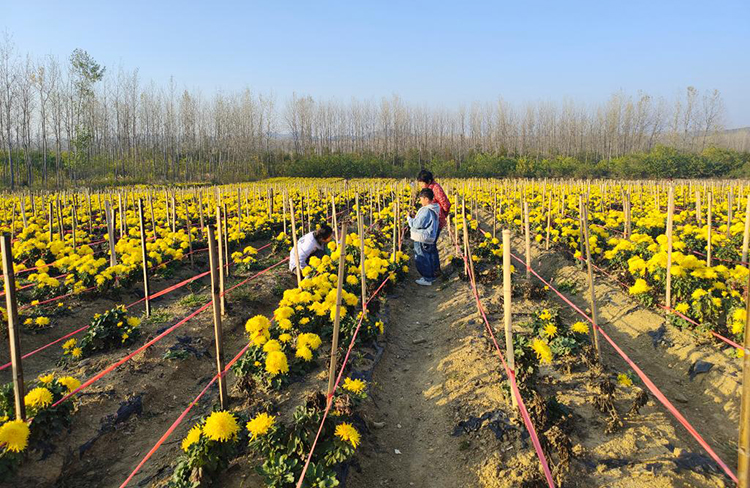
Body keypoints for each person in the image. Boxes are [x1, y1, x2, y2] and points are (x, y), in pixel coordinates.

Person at [407, 188, 441, 286]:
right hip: (429, 238)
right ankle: (431, 276)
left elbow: (417, 224)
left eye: (421, 199)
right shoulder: (434, 208)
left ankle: (427, 278)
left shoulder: (426, 210)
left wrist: (409, 219)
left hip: (422, 238)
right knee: (429, 257)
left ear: (426, 199)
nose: (420, 201)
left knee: (422, 258)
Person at [416, 169, 451, 239]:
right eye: (419, 183)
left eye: (422, 183)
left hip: (436, 220)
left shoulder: (436, 189)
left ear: (428, 181)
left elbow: (446, 204)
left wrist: (442, 215)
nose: (420, 185)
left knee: (430, 243)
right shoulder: (428, 188)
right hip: (429, 220)